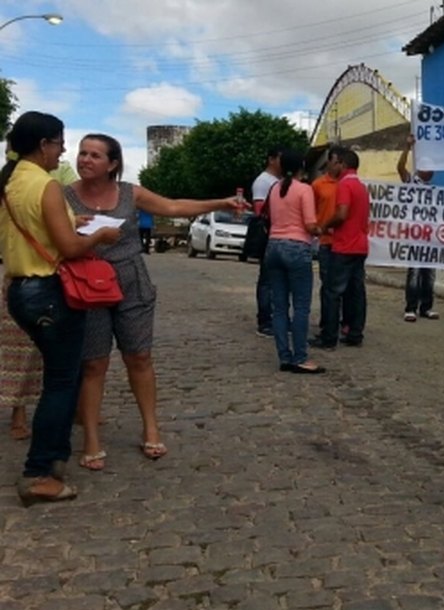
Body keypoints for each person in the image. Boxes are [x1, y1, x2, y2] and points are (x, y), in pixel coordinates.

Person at [65, 133, 242, 469]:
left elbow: (174, 206)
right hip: (86, 285)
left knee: (140, 356)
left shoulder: (130, 193)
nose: (85, 160)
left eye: (95, 155)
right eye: (82, 153)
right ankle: (90, 437)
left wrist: (219, 203)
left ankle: (151, 426)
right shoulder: (64, 196)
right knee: (93, 364)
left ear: (112, 163)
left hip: (131, 282)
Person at [0, 111, 121, 505]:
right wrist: (100, 234)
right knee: (61, 383)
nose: (64, 150)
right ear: (43, 145)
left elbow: (39, 227)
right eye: (60, 142)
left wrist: (72, 219)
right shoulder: (47, 185)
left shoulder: (12, 181)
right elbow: (68, 248)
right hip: (48, 290)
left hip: (19, 289)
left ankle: (50, 461)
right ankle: (39, 472)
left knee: (58, 378)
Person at [266, 150, 324, 373]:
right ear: (302, 166)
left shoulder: (274, 189)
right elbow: (309, 224)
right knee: (300, 307)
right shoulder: (304, 190)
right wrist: (321, 230)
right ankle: (300, 356)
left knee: (279, 308)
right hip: (297, 247)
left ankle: (284, 357)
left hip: (274, 246)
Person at [315, 148, 370, 349]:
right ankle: (355, 333)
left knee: (332, 292)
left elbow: (342, 213)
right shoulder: (361, 187)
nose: (331, 166)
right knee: (356, 292)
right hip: (360, 246)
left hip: (344, 245)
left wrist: (326, 225)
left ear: (343, 164)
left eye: (334, 162)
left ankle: (329, 337)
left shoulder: (344, 185)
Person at [397, 134, 439, 322]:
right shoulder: (411, 183)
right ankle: (411, 307)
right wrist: (407, 147)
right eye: (428, 170)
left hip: (431, 237)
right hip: (415, 236)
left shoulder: (434, 189)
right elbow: (399, 168)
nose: (431, 173)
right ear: (421, 169)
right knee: (414, 273)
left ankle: (426, 307)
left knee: (429, 274)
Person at [1, 275, 40, 442]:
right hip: (24, 273)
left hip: (68, 270)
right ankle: (18, 407)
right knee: (20, 344)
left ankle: (79, 405)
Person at [312, 147, 343, 335]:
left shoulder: (347, 184)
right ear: (328, 163)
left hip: (344, 243)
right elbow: (311, 211)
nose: (338, 165)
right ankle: (327, 322)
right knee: (328, 285)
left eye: (341, 162)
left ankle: (339, 322)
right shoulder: (318, 185)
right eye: (335, 162)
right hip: (325, 241)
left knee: (341, 286)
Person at [252, 148, 282, 337]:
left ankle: (274, 318)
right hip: (268, 235)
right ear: (271, 159)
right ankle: (265, 321)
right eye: (280, 159)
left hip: (278, 237)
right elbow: (259, 211)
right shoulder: (263, 182)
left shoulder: (277, 181)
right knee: (267, 281)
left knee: (275, 281)